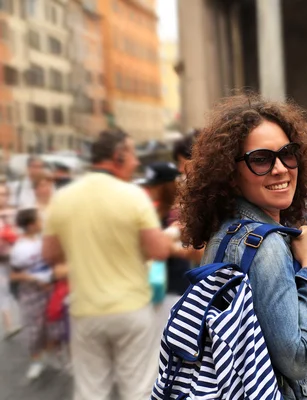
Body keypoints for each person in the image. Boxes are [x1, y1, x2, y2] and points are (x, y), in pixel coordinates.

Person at [175, 95, 307, 399]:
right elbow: (296, 361)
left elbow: (263, 325)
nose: (281, 169)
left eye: (288, 153)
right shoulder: (265, 244)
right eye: (260, 159)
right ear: (229, 174)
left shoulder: (226, 232)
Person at [41, 129, 172, 400]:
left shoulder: (63, 197)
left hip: (86, 309)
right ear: (118, 156)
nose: (136, 162)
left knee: (91, 392)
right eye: (133, 154)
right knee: (137, 390)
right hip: (132, 308)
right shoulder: (134, 196)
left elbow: (49, 254)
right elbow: (159, 251)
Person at [142, 162, 203, 310]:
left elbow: (201, 253)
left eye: (155, 185)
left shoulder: (182, 213)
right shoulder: (152, 211)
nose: (150, 189)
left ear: (165, 186)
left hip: (177, 290)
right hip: (155, 289)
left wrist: (169, 246)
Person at [10, 208, 52, 380]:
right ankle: (36, 361)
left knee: (52, 325)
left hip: (49, 290)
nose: (42, 222)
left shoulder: (43, 240)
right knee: (34, 330)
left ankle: (51, 355)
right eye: (39, 220)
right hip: (31, 295)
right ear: (31, 225)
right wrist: (34, 279)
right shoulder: (19, 249)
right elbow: (13, 275)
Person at [0, 182, 19, 339]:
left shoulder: (13, 212)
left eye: (5, 194)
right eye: (0, 194)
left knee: (18, 289)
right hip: (1, 259)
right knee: (3, 290)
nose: (3, 198)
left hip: (16, 257)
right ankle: (9, 326)